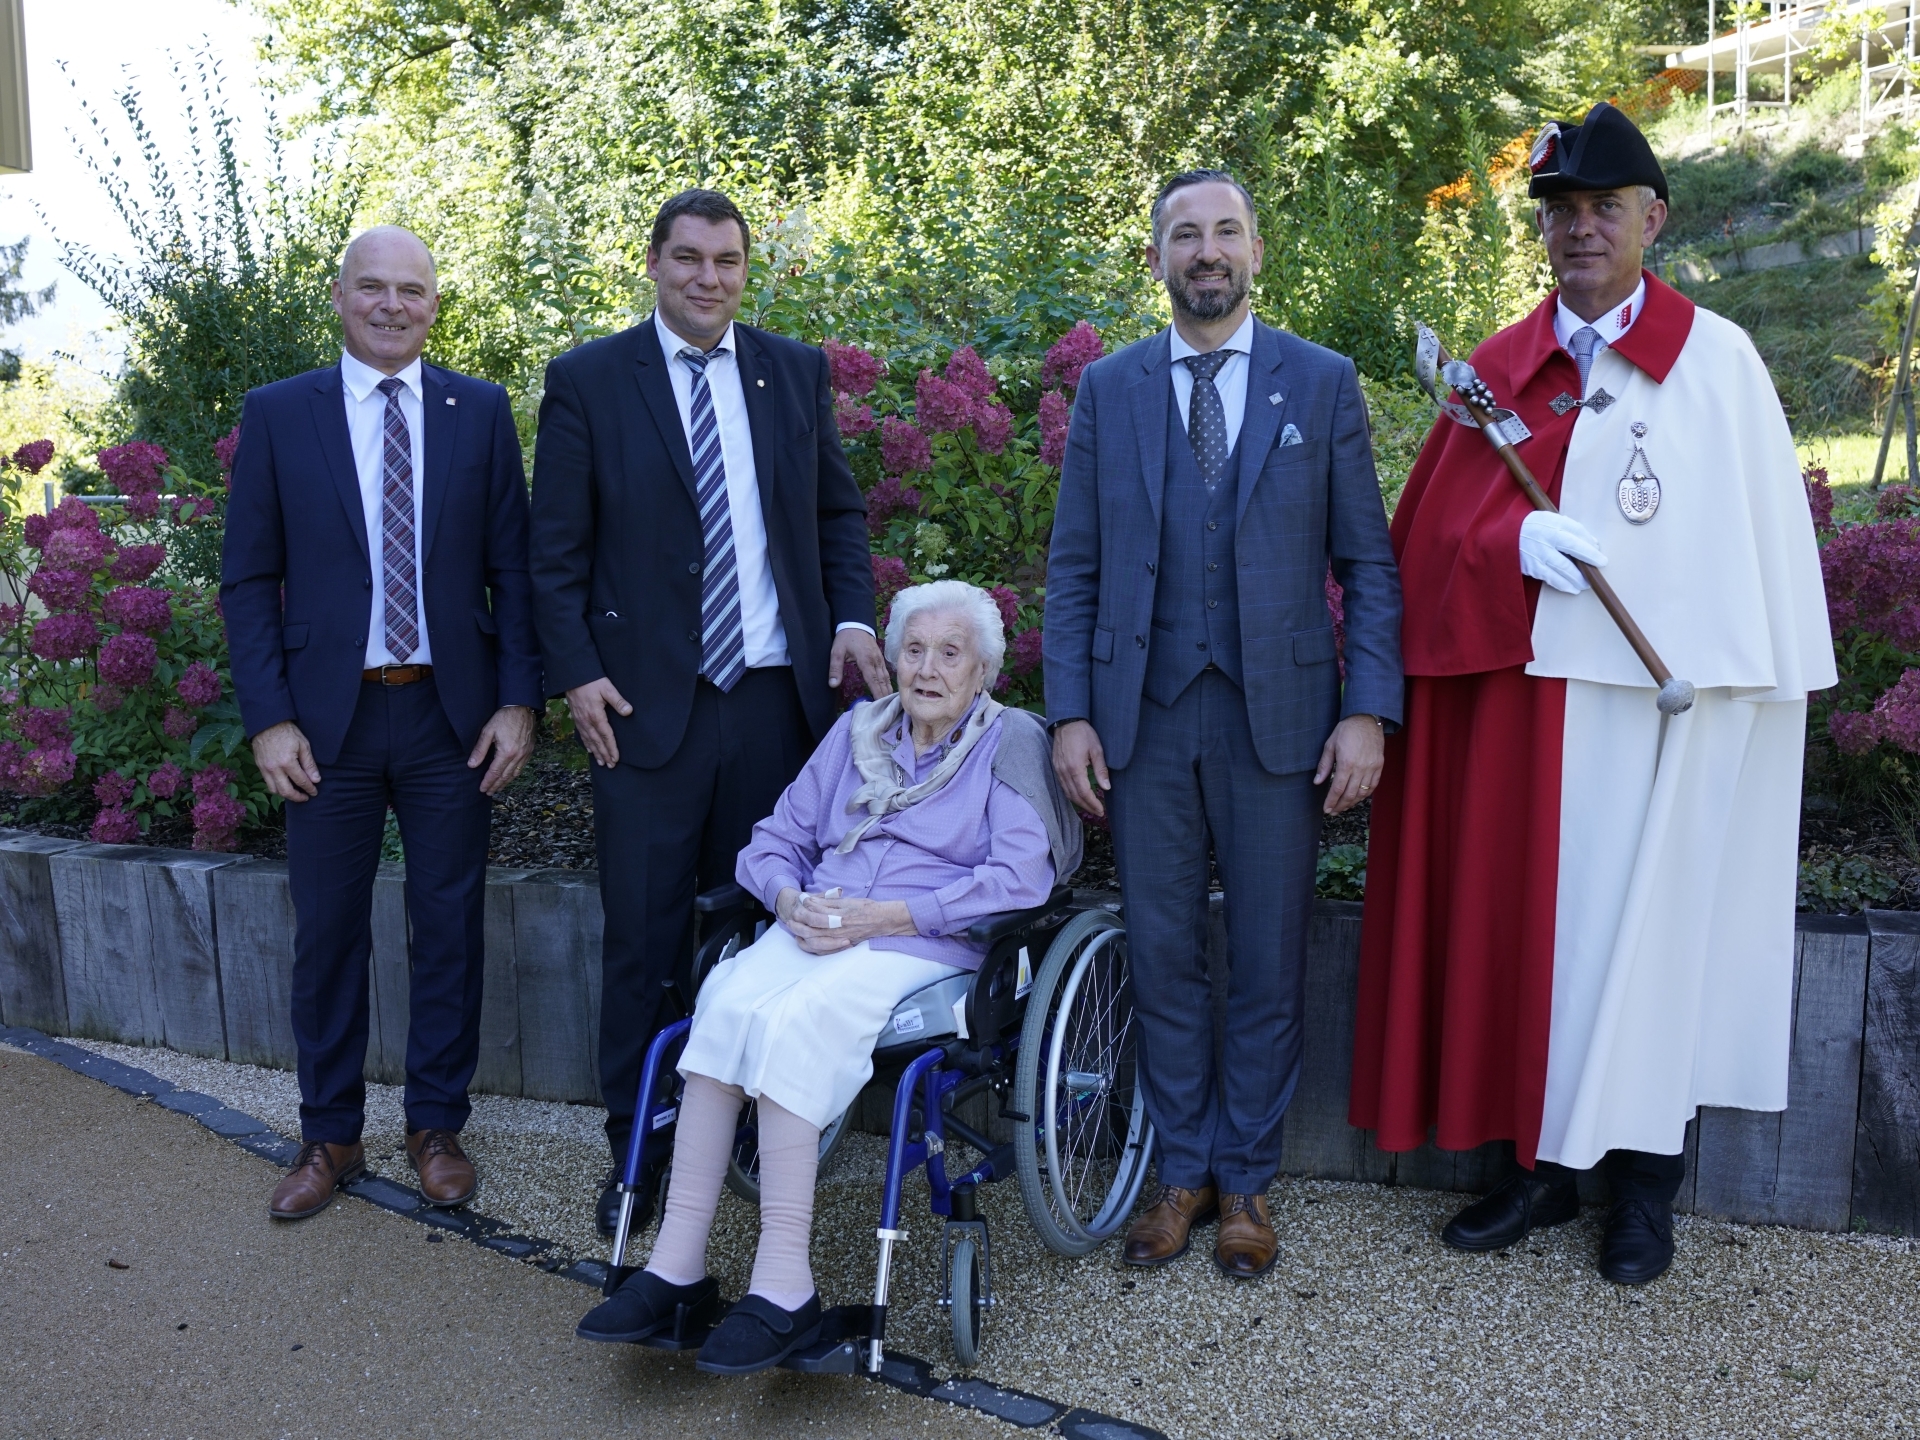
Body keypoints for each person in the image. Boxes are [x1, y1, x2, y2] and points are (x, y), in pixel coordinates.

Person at [1349, 103, 1835, 1284]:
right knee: (1540, 942)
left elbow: (1758, 559)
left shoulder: (1716, 363)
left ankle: (1645, 1192)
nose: (1580, 232)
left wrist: (1722, 680)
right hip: (1535, 718)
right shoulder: (1498, 372)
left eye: (1602, 210)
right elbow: (1425, 542)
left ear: (1651, 219)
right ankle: (1538, 1169)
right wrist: (1504, 546)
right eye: (1561, 213)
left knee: (1659, 939)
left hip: (1671, 718)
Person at [1045, 170, 1404, 1280]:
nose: (1207, 251)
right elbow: (1073, 568)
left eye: (1226, 232)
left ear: (1257, 251)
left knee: (1265, 955)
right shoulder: (1111, 390)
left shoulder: (1322, 381)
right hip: (1142, 721)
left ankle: (1246, 1179)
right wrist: (1068, 716)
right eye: (1185, 235)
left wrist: (1367, 711)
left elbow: (1369, 568)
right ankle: (1181, 1172)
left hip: (1281, 721)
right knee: (1160, 956)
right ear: (1158, 259)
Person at [574, 581, 1075, 1370]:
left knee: (798, 1022)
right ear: (894, 659)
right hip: (821, 921)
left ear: (983, 672)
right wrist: (786, 897)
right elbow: (774, 838)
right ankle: (676, 1267)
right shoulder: (857, 732)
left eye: (951, 654)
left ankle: (783, 1285)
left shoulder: (1008, 741)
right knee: (723, 1003)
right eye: (913, 649)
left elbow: (1020, 879)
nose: (928, 668)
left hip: (923, 944)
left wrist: (895, 917)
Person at [529, 188, 890, 1238]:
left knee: (761, 935)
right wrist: (577, 674)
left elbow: (836, 514)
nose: (708, 279)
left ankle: (737, 1139)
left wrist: (855, 616)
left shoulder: (792, 371)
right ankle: (637, 1157)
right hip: (643, 711)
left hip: (777, 706)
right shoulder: (591, 380)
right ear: (653, 264)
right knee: (643, 942)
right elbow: (552, 553)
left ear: (744, 271)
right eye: (688, 259)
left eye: (727, 262)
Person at [223, 226, 543, 1219]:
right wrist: (269, 720)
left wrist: (518, 701)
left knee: (447, 926)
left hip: (452, 716)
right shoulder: (280, 416)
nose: (392, 304)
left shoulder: (479, 412)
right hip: (329, 724)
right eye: (374, 287)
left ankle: (436, 1126)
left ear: (434, 305)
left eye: (412, 290)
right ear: (340, 297)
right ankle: (329, 1139)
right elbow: (247, 582)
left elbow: (515, 573)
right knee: (327, 934)